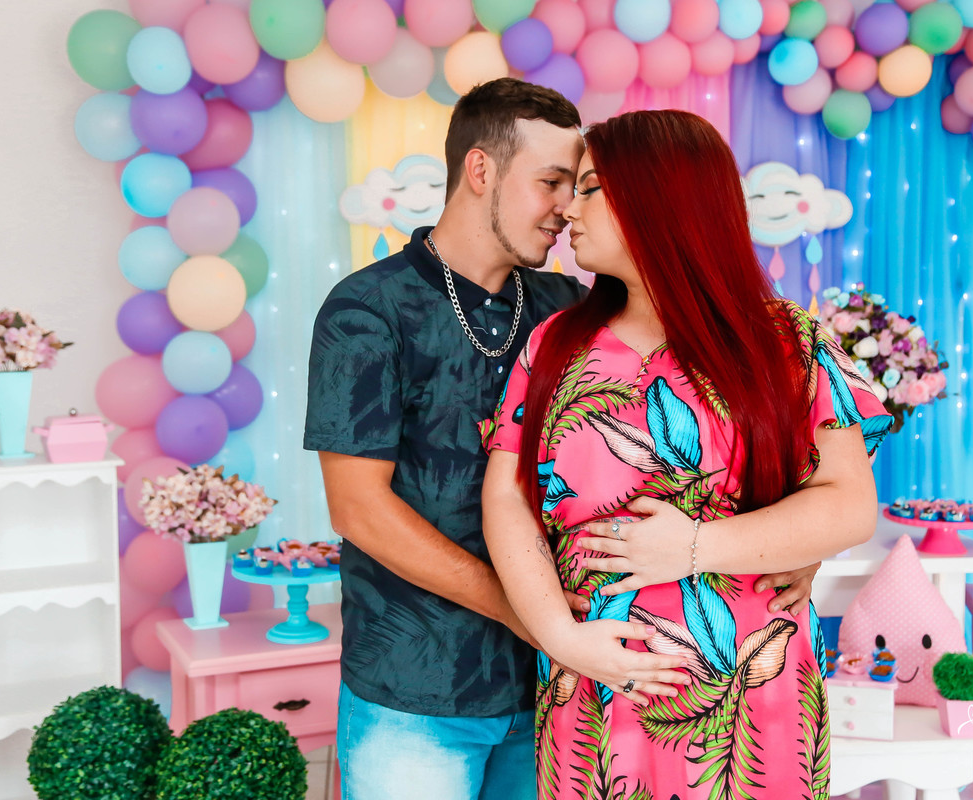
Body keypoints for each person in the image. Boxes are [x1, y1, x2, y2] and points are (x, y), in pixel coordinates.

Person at [306, 81, 822, 800]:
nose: (566, 207)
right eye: (552, 182)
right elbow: (358, 508)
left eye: (580, 186)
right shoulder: (368, 309)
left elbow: (717, 443)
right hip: (420, 685)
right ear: (480, 170)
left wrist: (785, 545)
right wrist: (537, 618)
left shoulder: (569, 310)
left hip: (565, 689)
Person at [481, 110, 893, 800]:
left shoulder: (785, 342)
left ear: (659, 196)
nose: (568, 208)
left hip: (751, 703)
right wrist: (559, 636)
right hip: (593, 690)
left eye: (590, 188)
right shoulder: (553, 345)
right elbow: (506, 497)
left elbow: (848, 506)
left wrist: (696, 547)